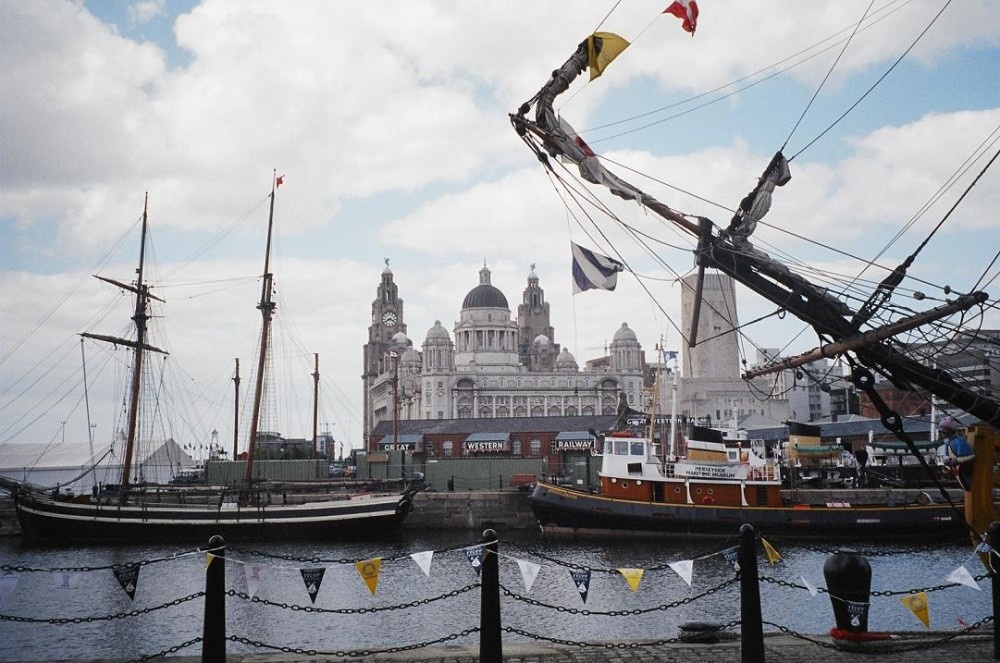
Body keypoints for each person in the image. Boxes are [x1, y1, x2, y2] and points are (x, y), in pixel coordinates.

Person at [940, 416, 974, 491]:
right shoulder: (948, 443)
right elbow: (947, 455)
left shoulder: (959, 441)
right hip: (957, 471)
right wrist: (946, 460)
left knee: (971, 487)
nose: (942, 433)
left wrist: (958, 460)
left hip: (965, 470)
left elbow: (972, 455)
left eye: (944, 430)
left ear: (951, 431)